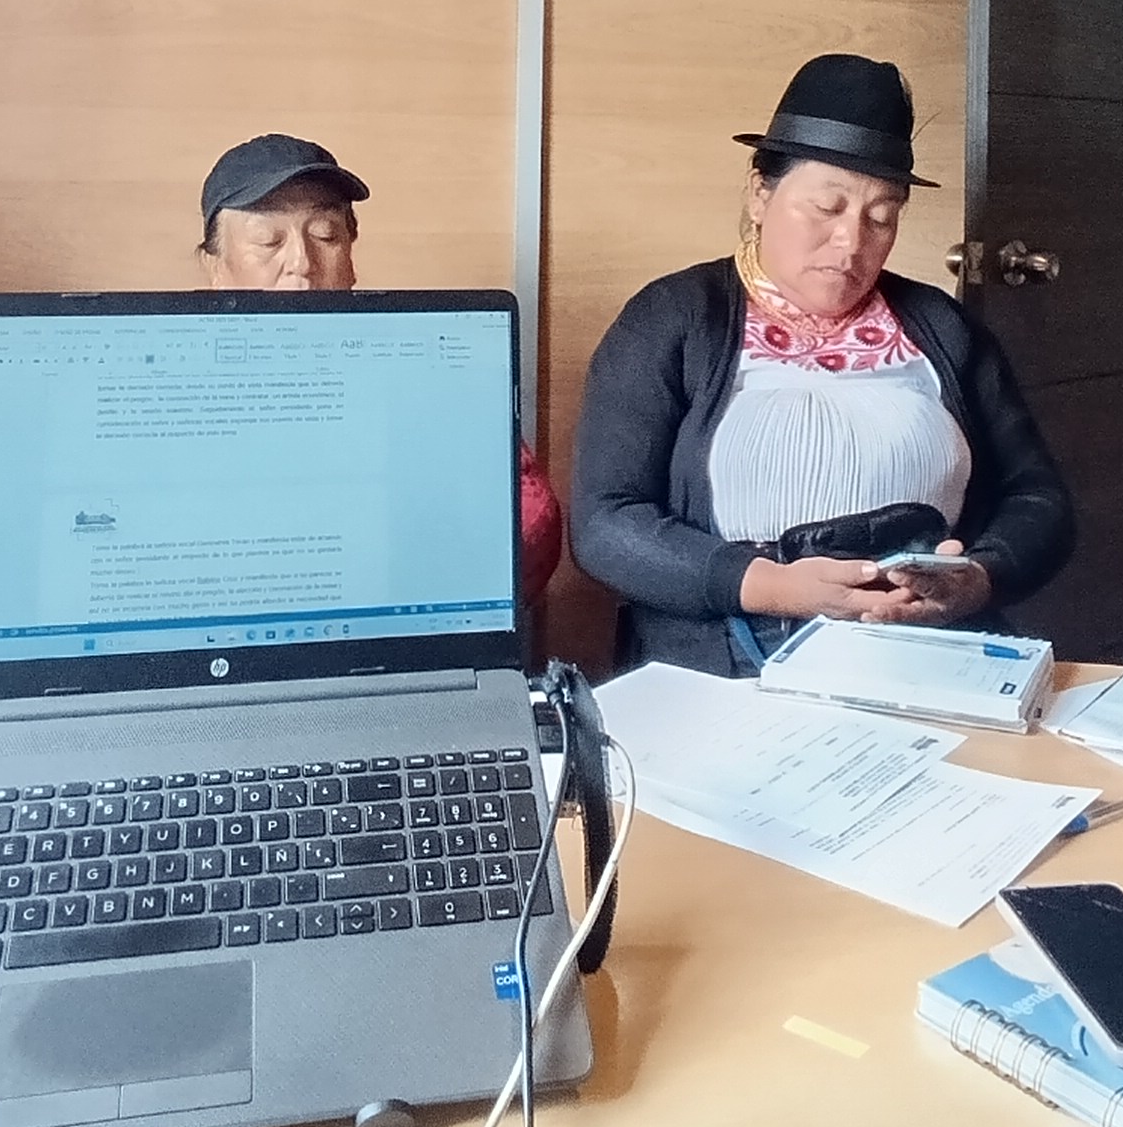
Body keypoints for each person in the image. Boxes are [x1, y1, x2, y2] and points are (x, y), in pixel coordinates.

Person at [570, 54, 1075, 676]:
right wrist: (772, 587)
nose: (852, 242)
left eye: (882, 218)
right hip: (731, 657)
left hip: (921, 651)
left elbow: (1037, 498)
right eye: (827, 208)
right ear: (761, 193)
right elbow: (607, 523)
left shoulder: (941, 327)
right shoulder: (674, 318)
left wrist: (980, 575)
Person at [195, 132, 564, 604]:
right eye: (268, 241)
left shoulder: (430, 371)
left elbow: (532, 525)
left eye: (325, 235)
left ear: (351, 255)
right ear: (215, 267)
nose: (302, 263)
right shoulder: (173, 394)